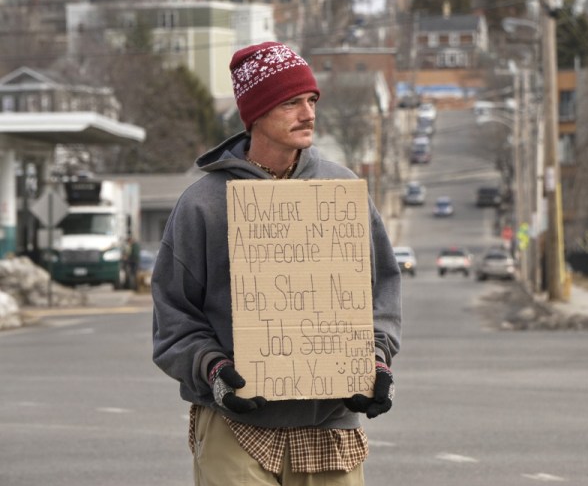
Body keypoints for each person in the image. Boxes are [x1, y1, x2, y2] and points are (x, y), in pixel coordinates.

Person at [151, 41, 402, 486]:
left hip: (330, 422)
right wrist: (214, 371)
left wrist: (376, 361)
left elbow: (379, 293)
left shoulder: (341, 191)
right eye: (291, 102)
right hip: (236, 423)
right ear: (255, 114)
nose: (308, 114)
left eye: (311, 101)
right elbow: (174, 320)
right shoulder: (203, 205)